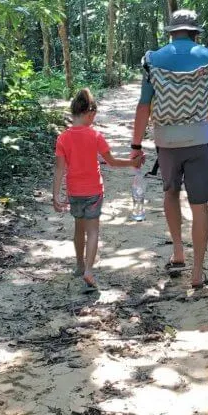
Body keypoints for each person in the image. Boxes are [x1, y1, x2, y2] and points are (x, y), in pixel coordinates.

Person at [130, 9, 208, 290]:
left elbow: (143, 106)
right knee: (199, 206)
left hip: (166, 141)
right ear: (195, 31)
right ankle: (197, 273)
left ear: (171, 32)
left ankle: (178, 251)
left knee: (170, 192)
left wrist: (136, 145)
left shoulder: (153, 60)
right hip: (199, 140)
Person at [53, 88, 136, 292]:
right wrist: (133, 162)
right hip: (94, 192)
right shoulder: (95, 136)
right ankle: (89, 270)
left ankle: (80, 265)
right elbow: (113, 161)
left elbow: (59, 169)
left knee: (78, 229)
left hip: (74, 191)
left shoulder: (63, 138)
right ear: (90, 113)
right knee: (93, 231)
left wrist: (55, 195)